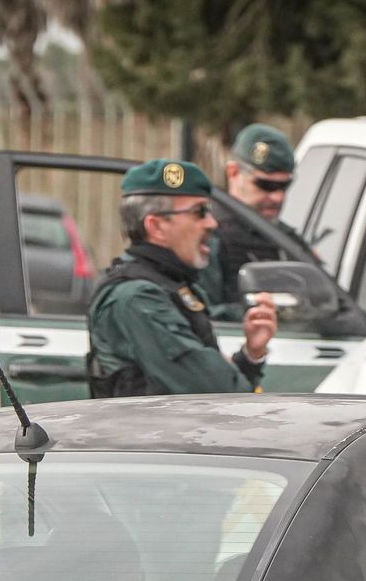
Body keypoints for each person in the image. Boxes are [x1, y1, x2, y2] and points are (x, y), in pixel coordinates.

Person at [87, 158, 279, 397]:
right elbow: (215, 393)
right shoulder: (137, 299)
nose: (212, 222)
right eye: (199, 212)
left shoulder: (174, 286)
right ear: (156, 226)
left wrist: (251, 353)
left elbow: (222, 395)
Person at [200, 123, 296, 316]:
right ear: (233, 173)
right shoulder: (207, 236)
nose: (277, 197)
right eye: (266, 185)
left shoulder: (287, 238)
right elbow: (202, 315)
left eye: (284, 186)